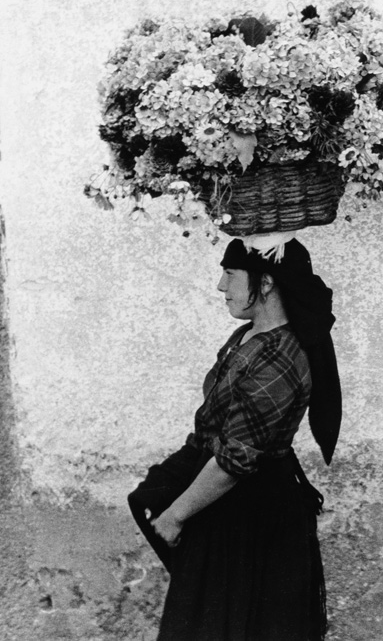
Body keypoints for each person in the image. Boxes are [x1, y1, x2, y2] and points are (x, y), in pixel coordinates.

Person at [127, 234, 341, 641]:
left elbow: (234, 462)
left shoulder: (280, 356)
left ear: (265, 283)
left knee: (238, 626)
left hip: (253, 515)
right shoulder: (248, 337)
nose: (221, 286)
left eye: (229, 274)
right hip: (228, 507)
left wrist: (174, 516)